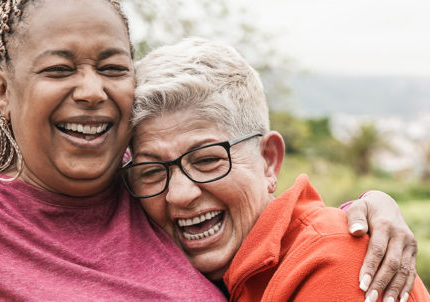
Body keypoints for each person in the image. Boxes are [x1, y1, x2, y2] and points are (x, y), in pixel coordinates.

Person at [0, 0, 418, 300]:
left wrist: (354, 221)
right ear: (2, 90)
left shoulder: (146, 195)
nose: (91, 90)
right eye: (59, 69)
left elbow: (274, 229)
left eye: (112, 68)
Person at [123, 37, 429, 301]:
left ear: (269, 160)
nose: (178, 194)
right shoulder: (212, 270)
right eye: (152, 172)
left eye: (206, 160)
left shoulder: (336, 263)